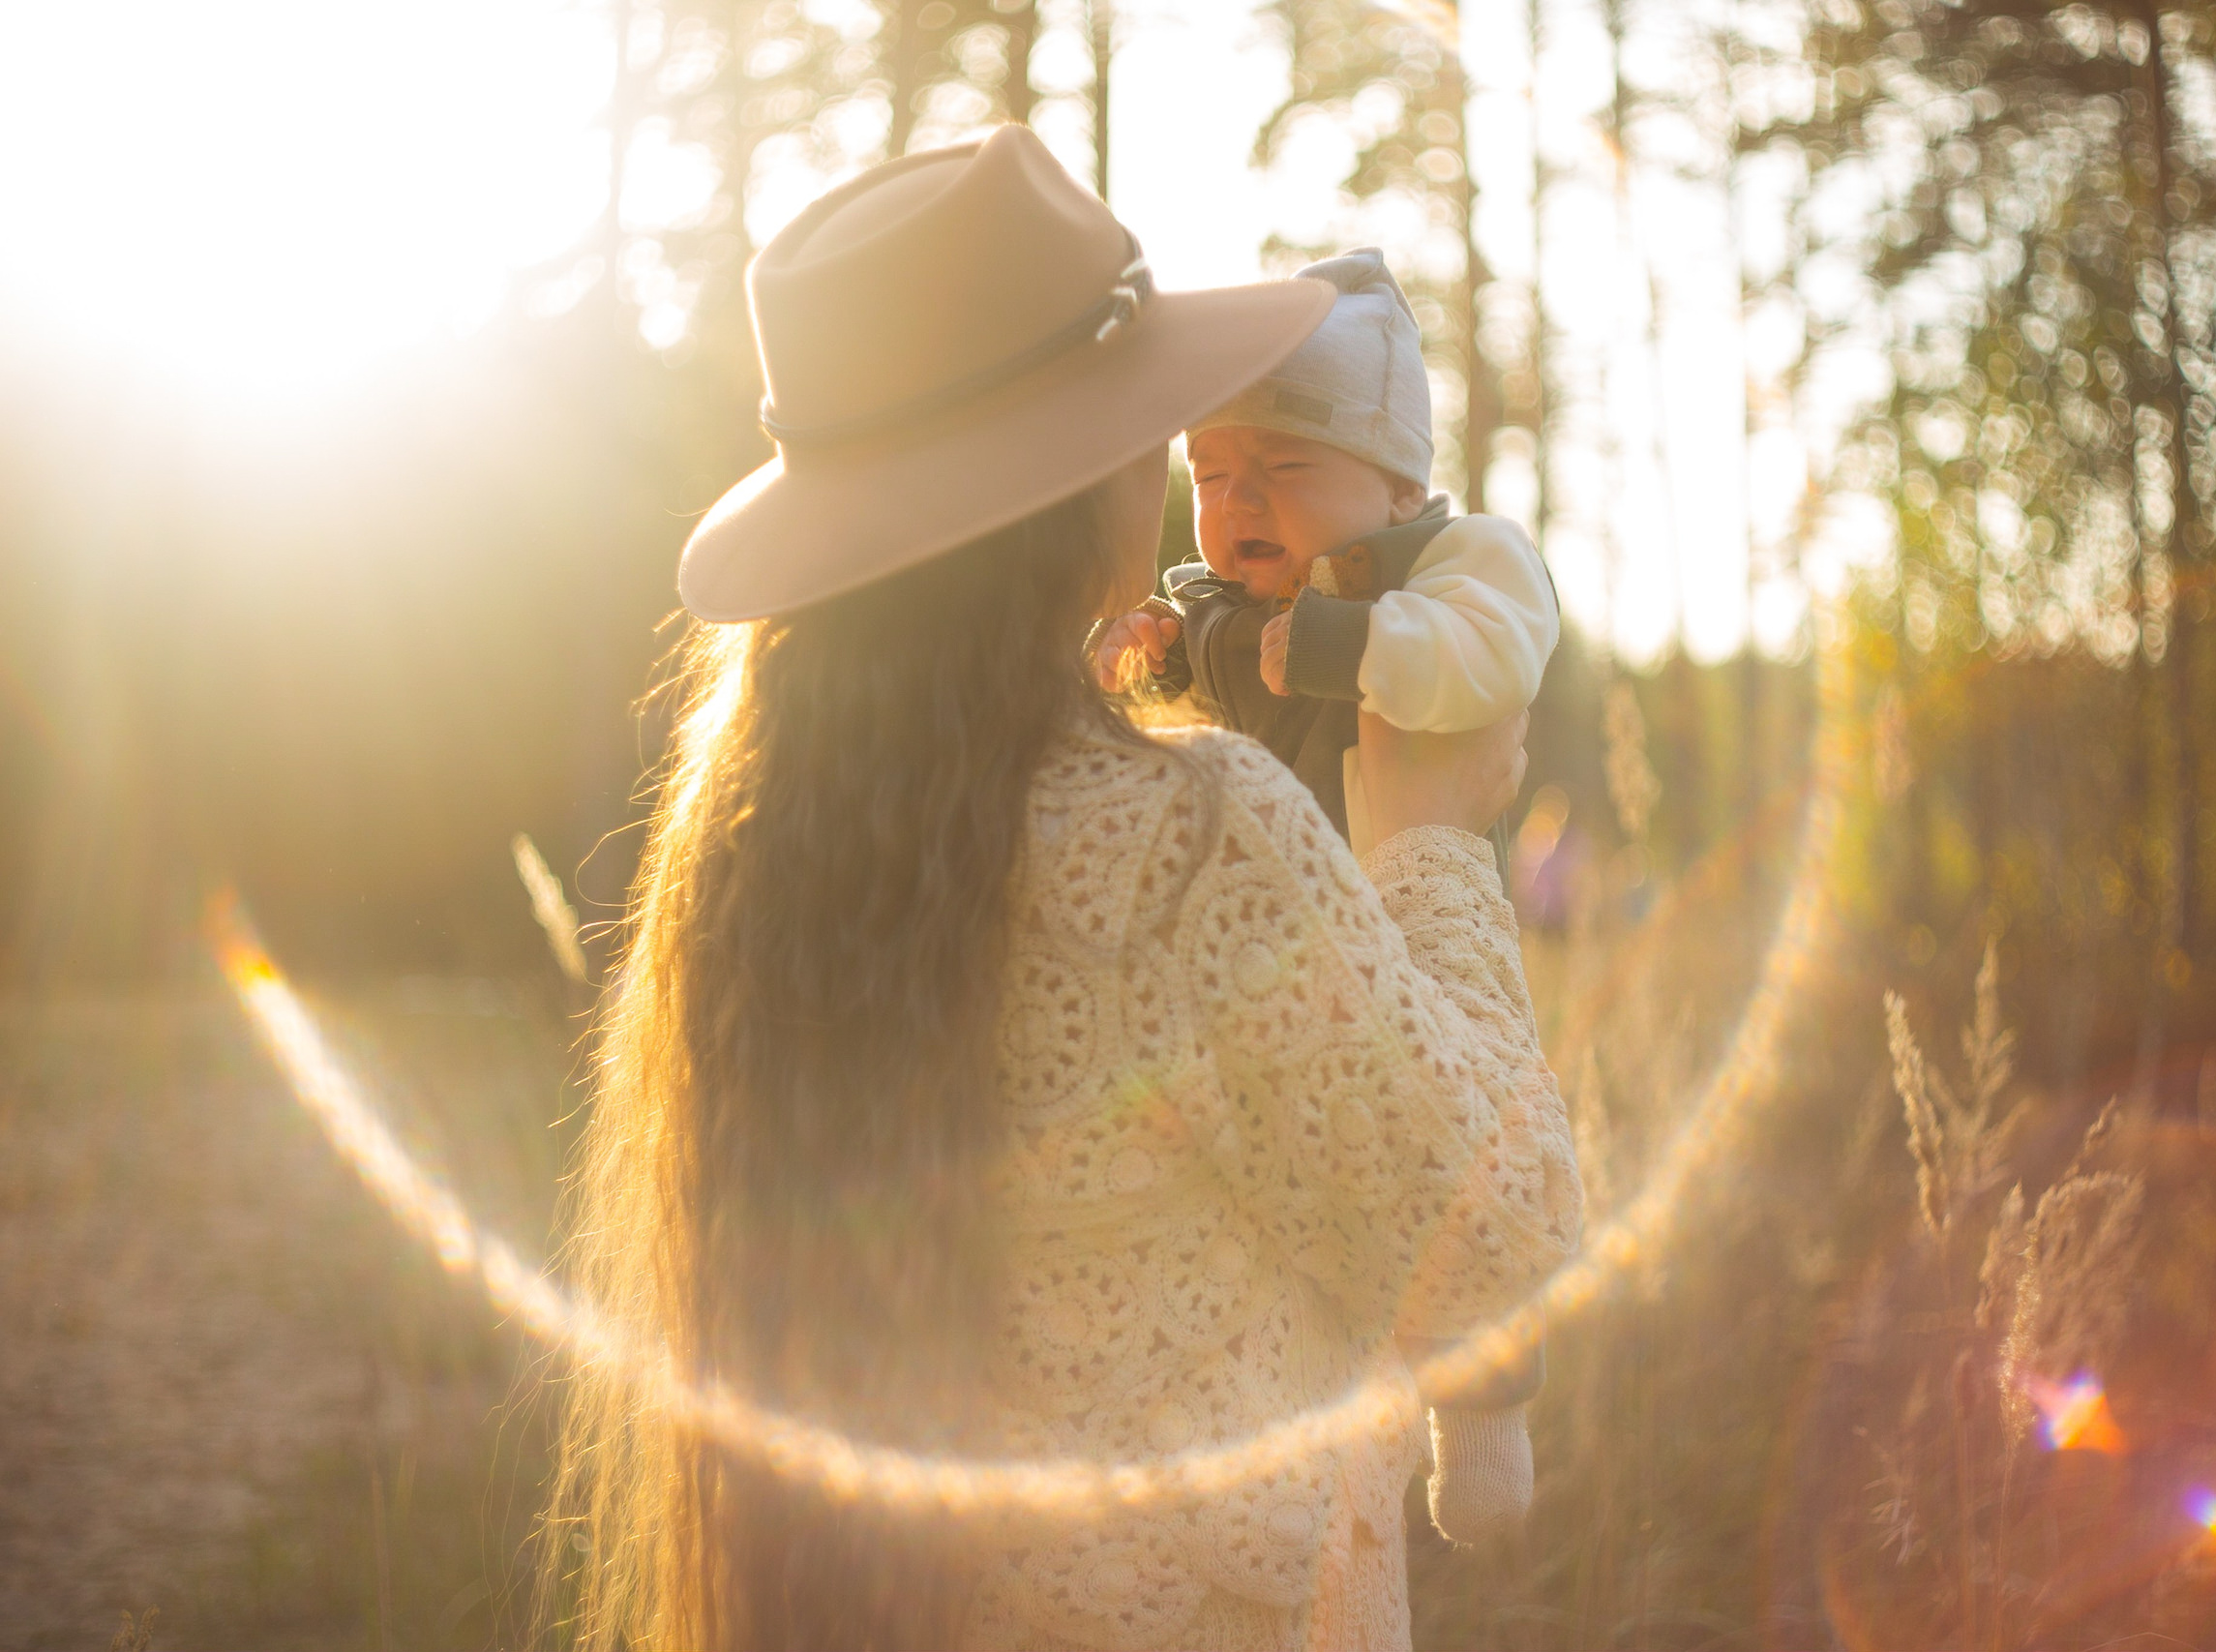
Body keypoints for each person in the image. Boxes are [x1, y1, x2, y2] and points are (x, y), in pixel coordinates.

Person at [541, 125, 1579, 1652]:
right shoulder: (1187, 841)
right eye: (1148, 424)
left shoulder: (755, 851)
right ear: (1069, 477)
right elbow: (1497, 1249)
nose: (1172, 471)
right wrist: (1435, 838)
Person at [1090, 249, 1561, 1544]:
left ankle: (1484, 1413)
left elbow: (1494, 654)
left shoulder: (1453, 561)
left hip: (1415, 904)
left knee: (1464, 1147)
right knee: (1335, 1161)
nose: (1238, 503)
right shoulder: (1210, 607)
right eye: (1210, 476)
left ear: (1397, 482)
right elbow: (1166, 704)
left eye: (1284, 468)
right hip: (1279, 944)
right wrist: (1129, 659)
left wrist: (1351, 643)